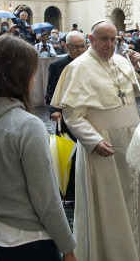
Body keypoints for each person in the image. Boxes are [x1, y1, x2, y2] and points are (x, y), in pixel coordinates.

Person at [51, 20, 140, 261]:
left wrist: (138, 66)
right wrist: (94, 141)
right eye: (104, 39)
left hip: (130, 141)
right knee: (109, 207)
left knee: (135, 199)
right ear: (91, 39)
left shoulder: (121, 61)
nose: (110, 45)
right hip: (104, 146)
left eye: (113, 40)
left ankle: (139, 253)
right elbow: (73, 115)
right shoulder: (78, 68)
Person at [0, 35, 77, 261]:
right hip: (25, 239)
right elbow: (46, 198)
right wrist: (68, 248)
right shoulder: (27, 125)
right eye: (33, 73)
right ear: (21, 75)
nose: (34, 80)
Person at [45, 31, 87, 202]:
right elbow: (51, 93)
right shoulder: (58, 65)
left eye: (82, 46)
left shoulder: (92, 63)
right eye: (75, 47)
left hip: (88, 116)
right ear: (67, 46)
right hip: (66, 118)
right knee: (70, 156)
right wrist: (53, 110)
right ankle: (69, 194)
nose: (80, 50)